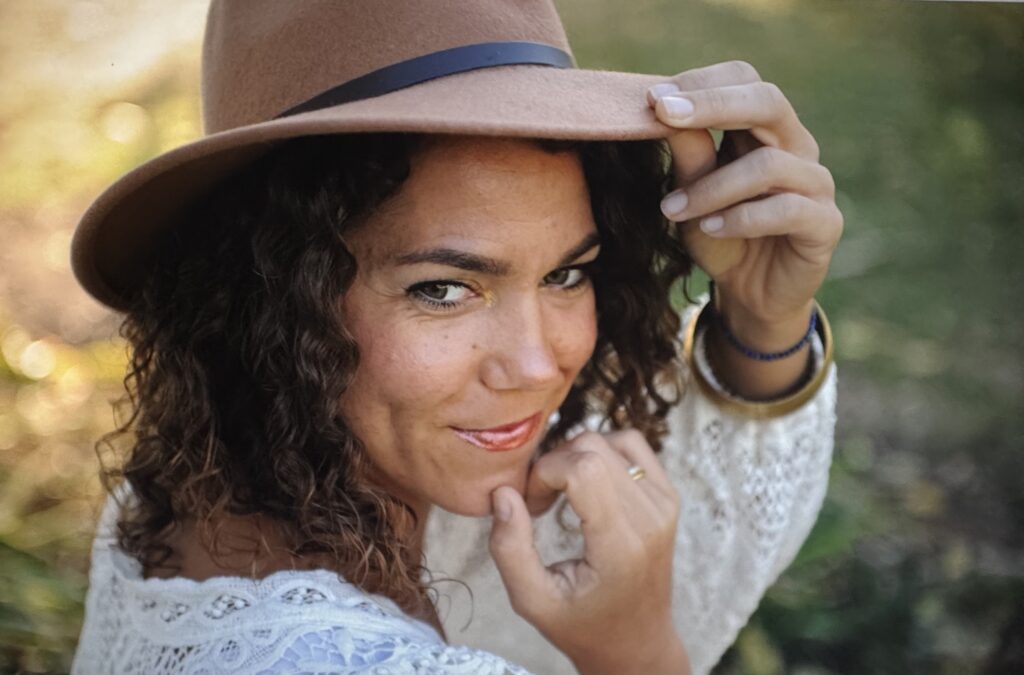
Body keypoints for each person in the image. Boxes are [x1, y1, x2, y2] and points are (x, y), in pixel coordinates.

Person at [69, 1, 842, 674]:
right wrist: (638, 656)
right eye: (443, 290)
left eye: (567, 274)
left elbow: (719, 521)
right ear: (267, 292)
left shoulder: (222, 483)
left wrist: (760, 317)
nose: (539, 365)